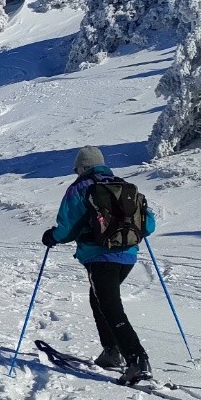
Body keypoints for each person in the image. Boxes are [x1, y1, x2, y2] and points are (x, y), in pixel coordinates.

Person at [42, 145, 157, 385]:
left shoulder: (80, 188)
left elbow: (67, 228)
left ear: (83, 166)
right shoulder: (124, 186)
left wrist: (52, 236)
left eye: (77, 169)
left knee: (110, 306)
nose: (76, 172)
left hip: (99, 256)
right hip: (127, 256)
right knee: (99, 300)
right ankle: (111, 351)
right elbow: (149, 225)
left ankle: (136, 359)